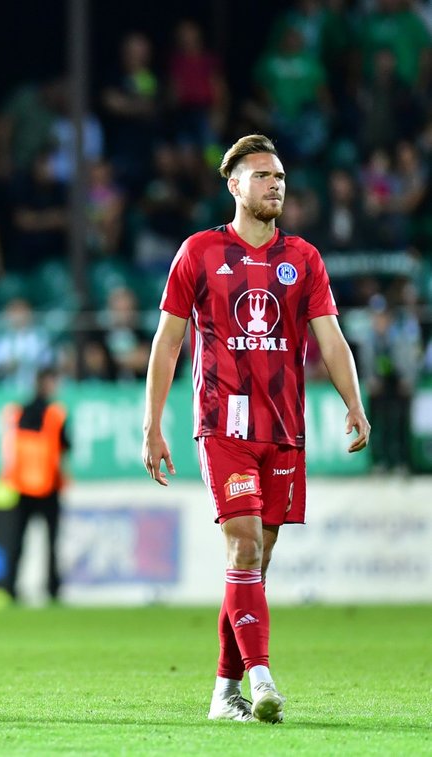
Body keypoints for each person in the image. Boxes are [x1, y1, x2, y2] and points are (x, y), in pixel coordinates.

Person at [142, 134, 369, 725]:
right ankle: (262, 678)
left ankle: (224, 692)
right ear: (234, 184)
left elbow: (331, 339)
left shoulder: (306, 259)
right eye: (263, 175)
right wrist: (153, 423)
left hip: (285, 429)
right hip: (223, 423)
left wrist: (355, 402)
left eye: (280, 177)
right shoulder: (198, 252)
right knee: (243, 543)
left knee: (255, 565)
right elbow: (168, 343)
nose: (276, 185)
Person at [1, 368, 69, 603]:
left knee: (17, 540)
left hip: (22, 485)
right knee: (51, 543)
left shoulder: (18, 413)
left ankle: (10, 587)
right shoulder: (55, 414)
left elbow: (9, 448)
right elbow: (65, 446)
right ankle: (52, 588)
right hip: (48, 485)